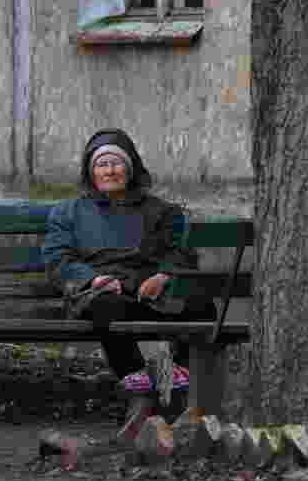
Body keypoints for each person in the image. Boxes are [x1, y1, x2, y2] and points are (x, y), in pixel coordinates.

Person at [41, 128, 217, 393]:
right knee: (104, 306)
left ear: (131, 168)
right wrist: (94, 279)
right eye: (101, 164)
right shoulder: (68, 213)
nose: (109, 171)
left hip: (151, 293)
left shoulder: (162, 211)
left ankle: (180, 375)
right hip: (102, 292)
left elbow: (180, 252)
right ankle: (136, 376)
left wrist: (163, 276)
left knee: (200, 303)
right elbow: (57, 258)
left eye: (116, 163)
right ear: (91, 172)